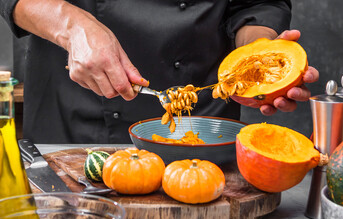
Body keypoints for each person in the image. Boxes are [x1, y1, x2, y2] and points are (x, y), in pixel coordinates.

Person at [0, 0, 319, 144]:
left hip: (203, 124)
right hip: (72, 119)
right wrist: (72, 26)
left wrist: (254, 58)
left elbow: (257, 4)